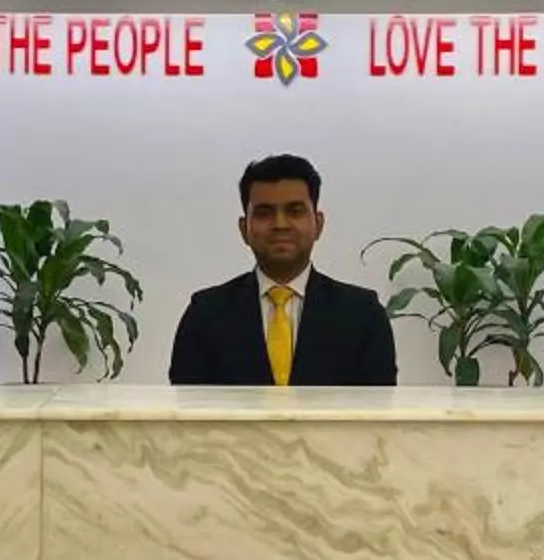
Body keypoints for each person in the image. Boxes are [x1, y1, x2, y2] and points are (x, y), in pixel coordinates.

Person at [167, 153, 399, 387]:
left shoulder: (363, 315)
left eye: (295, 211)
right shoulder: (205, 314)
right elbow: (185, 412)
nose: (280, 224)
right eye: (264, 213)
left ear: (318, 224)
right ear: (243, 229)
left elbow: (379, 415)